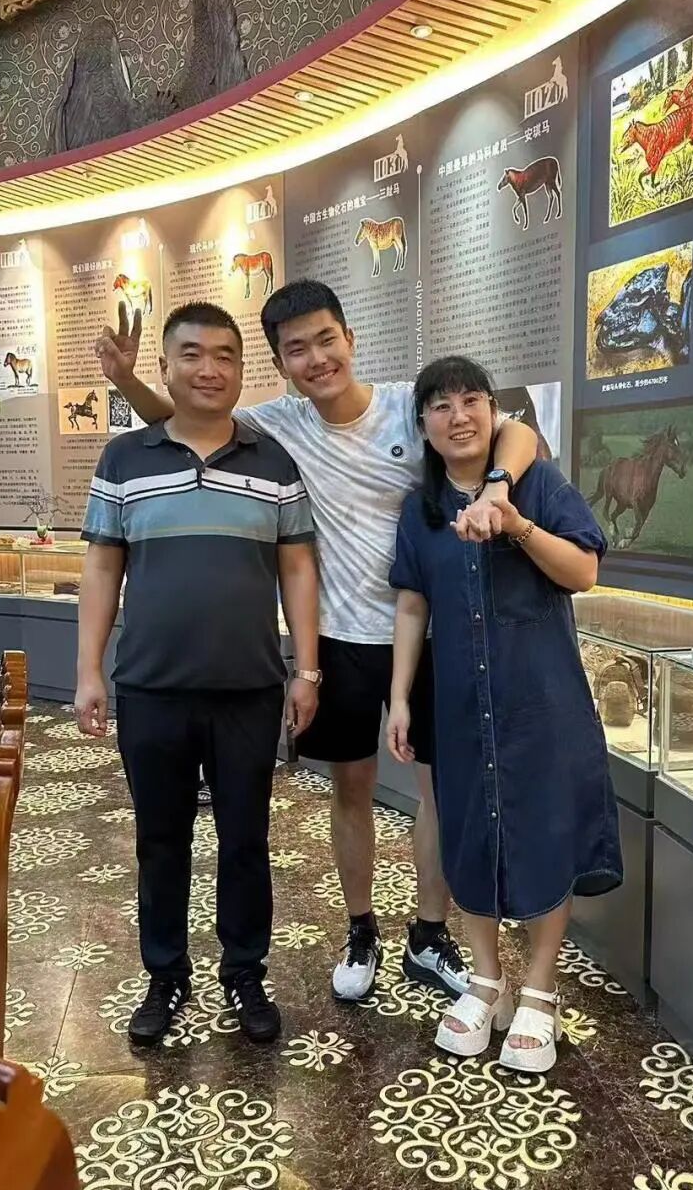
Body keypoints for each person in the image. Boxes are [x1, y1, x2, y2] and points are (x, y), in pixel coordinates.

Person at [96, 281, 539, 1004]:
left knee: (439, 791)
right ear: (279, 364)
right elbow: (186, 418)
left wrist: (496, 485)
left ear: (350, 339)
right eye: (296, 349)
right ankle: (361, 929)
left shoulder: (408, 405)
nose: (317, 359)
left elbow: (516, 432)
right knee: (351, 788)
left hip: (433, 636)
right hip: (338, 639)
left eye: (326, 339)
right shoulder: (278, 425)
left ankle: (430, 933)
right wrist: (125, 380)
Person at [77, 302, 320, 1047]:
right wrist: (89, 672)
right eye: (192, 354)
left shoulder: (273, 461)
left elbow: (298, 568)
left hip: (250, 688)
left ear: (242, 370)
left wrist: (306, 670)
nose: (209, 369)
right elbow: (102, 567)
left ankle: (245, 972)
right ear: (166, 367)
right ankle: (165, 974)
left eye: (224, 356)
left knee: (246, 839)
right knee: (160, 840)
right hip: (151, 687)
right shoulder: (125, 459)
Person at [386, 356, 622, 1074]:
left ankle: (541, 988)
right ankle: (486, 980)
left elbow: (583, 571)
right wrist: (400, 698)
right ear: (424, 424)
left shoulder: (540, 484)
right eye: (440, 405)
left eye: (471, 400)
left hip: (541, 703)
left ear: (493, 412)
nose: (458, 416)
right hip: (460, 704)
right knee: (470, 835)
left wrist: (517, 524)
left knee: (547, 832)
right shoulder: (421, 511)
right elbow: (412, 605)